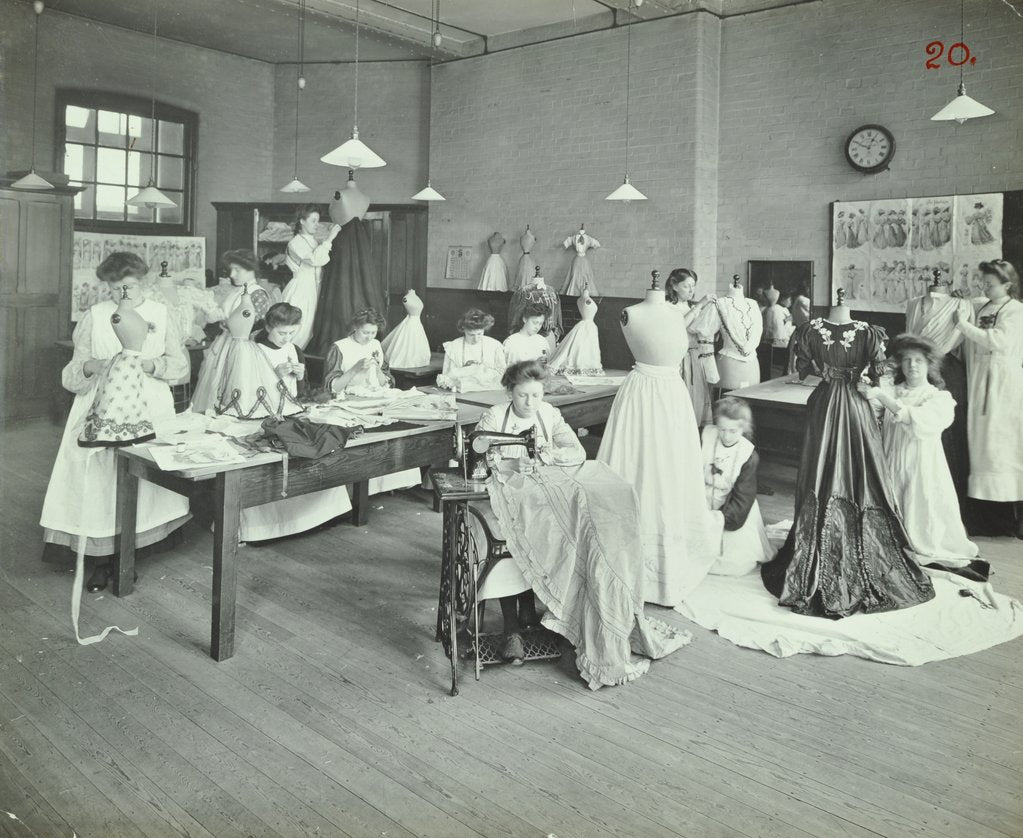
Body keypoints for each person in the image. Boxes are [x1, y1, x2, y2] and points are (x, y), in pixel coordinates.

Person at [759, 296, 935, 618]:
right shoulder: (857, 332)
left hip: (831, 406)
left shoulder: (830, 330)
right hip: (850, 406)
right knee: (837, 473)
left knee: (843, 472)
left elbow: (804, 371)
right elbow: (874, 374)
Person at [40, 252, 190, 592]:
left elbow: (179, 366)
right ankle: (103, 558)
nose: (122, 295)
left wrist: (148, 366)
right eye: (114, 289)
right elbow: (72, 373)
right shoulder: (95, 316)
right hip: (100, 406)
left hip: (147, 404)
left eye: (130, 288)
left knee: (142, 477)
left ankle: (130, 553)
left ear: (145, 282)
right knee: (101, 479)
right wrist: (94, 366)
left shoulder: (162, 314)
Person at [474, 361, 587, 663]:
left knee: (564, 532)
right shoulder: (495, 416)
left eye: (536, 395)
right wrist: (508, 464)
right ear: (510, 392)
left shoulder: (549, 414)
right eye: (523, 395)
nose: (530, 403)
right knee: (507, 535)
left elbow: (577, 452)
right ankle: (511, 627)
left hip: (538, 499)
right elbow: (477, 459)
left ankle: (545, 611)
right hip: (498, 497)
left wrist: (547, 455)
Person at [858, 334, 985, 579]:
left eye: (918, 360)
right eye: (906, 360)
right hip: (892, 461)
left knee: (923, 508)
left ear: (930, 365)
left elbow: (913, 419)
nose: (912, 366)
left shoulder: (939, 398)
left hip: (923, 466)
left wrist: (881, 397)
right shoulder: (893, 391)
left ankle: (920, 542)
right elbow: (872, 411)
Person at [239, 303, 353, 541]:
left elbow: (301, 392)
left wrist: (300, 377)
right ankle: (266, 529)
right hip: (262, 415)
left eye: (292, 333)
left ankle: (317, 517)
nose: (287, 338)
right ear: (269, 327)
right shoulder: (252, 350)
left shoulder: (294, 349)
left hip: (290, 412)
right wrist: (273, 376)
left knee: (312, 448)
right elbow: (246, 392)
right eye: (282, 333)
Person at [953, 259, 1023, 537]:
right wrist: (962, 306)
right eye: (982, 282)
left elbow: (998, 341)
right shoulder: (983, 306)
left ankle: (1009, 519)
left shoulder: (1015, 310)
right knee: (981, 448)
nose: (984, 287)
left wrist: (962, 324)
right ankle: (985, 517)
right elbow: (972, 311)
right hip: (980, 381)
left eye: (990, 284)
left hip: (1001, 385)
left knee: (1000, 448)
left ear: (1007, 284)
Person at [323, 309, 420, 494]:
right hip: (349, 400)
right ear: (354, 328)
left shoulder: (376, 344)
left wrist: (376, 370)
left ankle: (389, 483)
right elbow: (332, 388)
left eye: (373, 333)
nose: (369, 337)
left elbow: (387, 382)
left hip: (375, 397)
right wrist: (354, 369)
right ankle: (363, 490)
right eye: (365, 332)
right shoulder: (340, 347)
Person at [190, 252, 294, 418]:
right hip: (224, 343)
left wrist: (225, 320)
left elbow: (253, 326)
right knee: (213, 387)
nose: (232, 275)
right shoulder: (236, 291)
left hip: (241, 347)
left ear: (250, 269)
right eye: (231, 270)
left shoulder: (257, 293)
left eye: (237, 270)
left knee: (236, 389)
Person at [702, 398, 775, 576]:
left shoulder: (748, 455)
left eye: (733, 431)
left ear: (744, 429)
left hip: (733, 504)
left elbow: (743, 496)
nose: (726, 436)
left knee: (734, 561)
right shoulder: (705, 436)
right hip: (702, 498)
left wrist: (719, 520)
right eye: (722, 429)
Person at [283, 205, 341, 350]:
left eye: (318, 221)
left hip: (313, 289)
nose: (317, 224)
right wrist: (330, 238)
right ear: (302, 221)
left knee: (307, 332)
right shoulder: (295, 242)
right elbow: (316, 260)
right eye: (313, 221)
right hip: (300, 291)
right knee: (296, 330)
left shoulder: (313, 241)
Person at [665, 268, 718, 426]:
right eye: (686, 286)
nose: (691, 290)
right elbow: (679, 327)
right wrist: (701, 304)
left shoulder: (689, 306)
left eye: (693, 286)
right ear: (674, 286)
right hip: (679, 359)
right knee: (680, 398)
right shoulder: (668, 306)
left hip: (695, 357)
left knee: (696, 396)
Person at [436, 308, 507, 393]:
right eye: (471, 335)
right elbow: (447, 377)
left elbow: (502, 374)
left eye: (479, 334)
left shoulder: (495, 345)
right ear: (463, 329)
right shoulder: (453, 347)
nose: (476, 339)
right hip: (460, 392)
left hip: (489, 391)